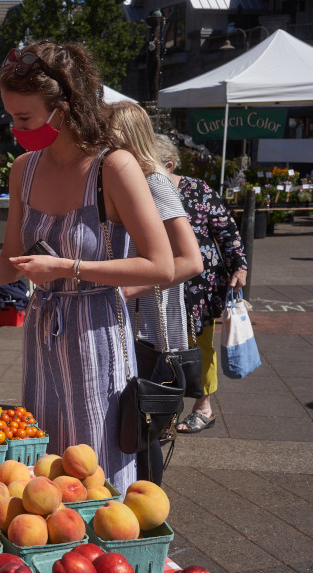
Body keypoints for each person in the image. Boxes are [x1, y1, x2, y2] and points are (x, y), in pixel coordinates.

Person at [0, 41, 175, 495]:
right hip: (43, 331)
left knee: (95, 462)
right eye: (10, 116)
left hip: (97, 331)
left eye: (24, 118)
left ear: (62, 110)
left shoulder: (114, 167)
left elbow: (161, 264)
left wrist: (68, 266)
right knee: (45, 463)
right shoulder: (24, 169)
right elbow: (9, 265)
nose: (14, 127)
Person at [109, 101, 203, 485]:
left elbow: (191, 261)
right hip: (130, 319)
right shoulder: (121, 180)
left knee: (144, 425)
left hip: (151, 325)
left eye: (109, 140)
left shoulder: (153, 181)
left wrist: (129, 288)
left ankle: (147, 507)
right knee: (130, 422)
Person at [154, 134, 248, 435]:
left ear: (169, 165)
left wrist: (239, 267)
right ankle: (164, 408)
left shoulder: (197, 189)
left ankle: (203, 406)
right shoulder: (141, 191)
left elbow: (227, 230)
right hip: (158, 283)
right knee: (159, 345)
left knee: (200, 346)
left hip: (200, 287)